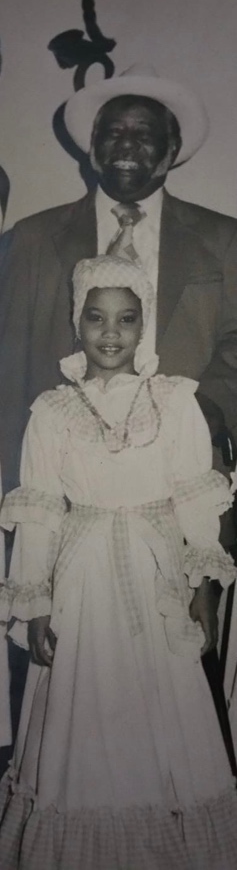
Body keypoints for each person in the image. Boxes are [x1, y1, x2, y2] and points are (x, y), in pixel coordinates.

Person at [0, 254, 236, 870]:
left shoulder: (175, 400)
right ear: (77, 322)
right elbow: (41, 512)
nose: (111, 333)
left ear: (143, 326)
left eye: (126, 319)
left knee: (163, 710)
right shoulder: (51, 412)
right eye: (97, 318)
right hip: (81, 585)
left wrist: (202, 589)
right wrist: (34, 603)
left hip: (153, 578)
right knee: (84, 712)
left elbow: (193, 502)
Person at [1, 65, 237, 497]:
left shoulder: (224, 240)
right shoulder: (33, 238)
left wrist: (202, 410)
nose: (126, 144)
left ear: (171, 151)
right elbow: (11, 365)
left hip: (185, 474)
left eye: (144, 134)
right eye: (112, 132)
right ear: (92, 148)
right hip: (63, 481)